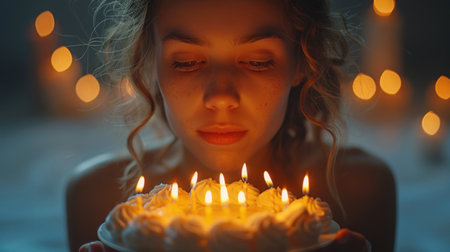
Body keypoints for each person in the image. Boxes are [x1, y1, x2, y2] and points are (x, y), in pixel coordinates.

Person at [66, 0, 396, 251]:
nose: (221, 97)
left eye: (257, 62)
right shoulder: (97, 198)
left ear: (302, 62)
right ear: (149, 63)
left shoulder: (360, 191)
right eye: (187, 62)